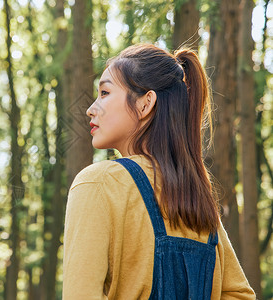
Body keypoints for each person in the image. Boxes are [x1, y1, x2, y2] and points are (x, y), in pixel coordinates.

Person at [62, 44, 256, 299]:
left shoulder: (98, 184)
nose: (91, 108)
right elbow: (239, 293)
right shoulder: (196, 200)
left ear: (145, 104)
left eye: (105, 92)